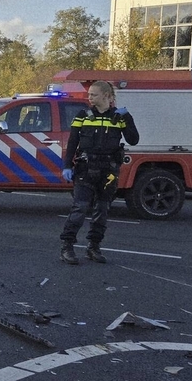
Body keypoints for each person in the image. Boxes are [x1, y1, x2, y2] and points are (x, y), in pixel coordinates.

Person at [59, 80, 139, 264]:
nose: (90, 98)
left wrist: (127, 118)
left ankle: (93, 247)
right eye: (89, 94)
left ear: (106, 96)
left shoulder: (119, 117)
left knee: (102, 210)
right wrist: (67, 166)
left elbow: (133, 140)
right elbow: (72, 142)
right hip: (86, 169)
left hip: (108, 172)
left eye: (93, 95)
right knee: (80, 208)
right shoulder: (83, 115)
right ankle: (67, 247)